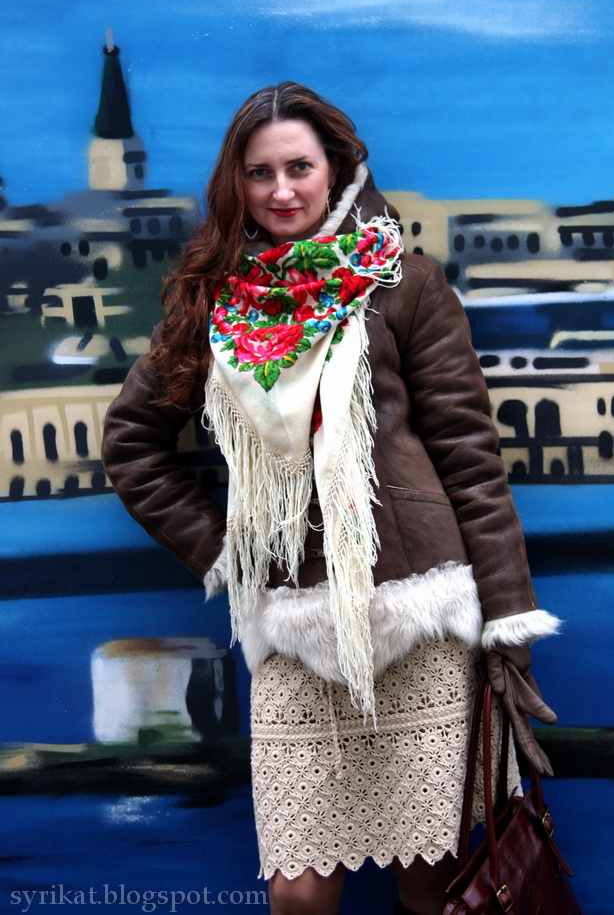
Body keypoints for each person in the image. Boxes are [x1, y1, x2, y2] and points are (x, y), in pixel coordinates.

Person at [101, 82, 560, 915]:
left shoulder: (406, 285)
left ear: (337, 169)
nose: (281, 190)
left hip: (417, 621)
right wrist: (229, 552)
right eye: (259, 172)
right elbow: (132, 443)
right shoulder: (214, 303)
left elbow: (471, 462)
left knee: (431, 880)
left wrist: (508, 625)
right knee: (299, 892)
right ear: (236, 182)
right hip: (292, 628)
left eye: (299, 168)